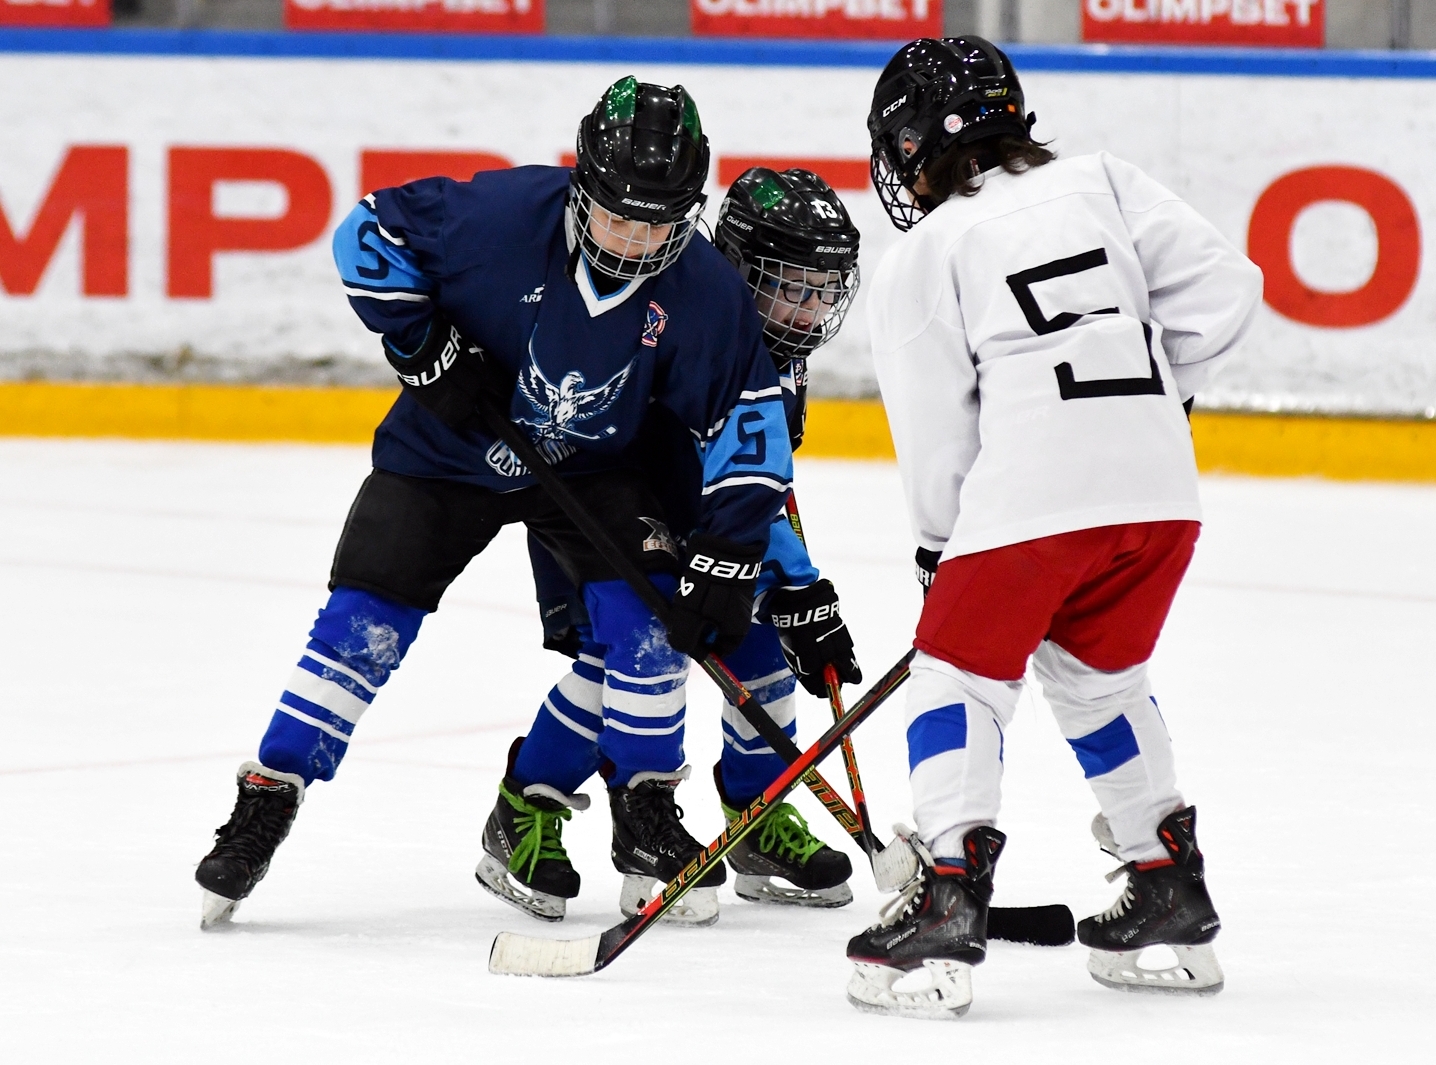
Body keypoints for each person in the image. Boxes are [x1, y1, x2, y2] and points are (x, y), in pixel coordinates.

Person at [192, 78, 798, 929]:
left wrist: (729, 555)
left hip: (591, 467)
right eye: (618, 217)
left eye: (659, 224)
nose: (635, 241)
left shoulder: (704, 290)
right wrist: (423, 346)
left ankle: (647, 815)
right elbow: (365, 232)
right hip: (445, 454)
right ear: (582, 185)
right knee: (363, 626)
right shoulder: (500, 216)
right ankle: (270, 793)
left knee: (654, 618)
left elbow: (749, 423)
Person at [842, 37, 1262, 1017]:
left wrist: (939, 549)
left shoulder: (925, 251)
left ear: (913, 145)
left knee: (956, 677)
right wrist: (1153, 402)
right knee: (1098, 678)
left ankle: (946, 894)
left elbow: (936, 427)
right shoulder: (1103, 179)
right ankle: (1164, 881)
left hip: (1032, 497)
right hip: (1159, 492)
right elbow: (1225, 292)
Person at [483, 168, 867, 924]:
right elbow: (679, 469)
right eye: (791, 287)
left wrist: (795, 586)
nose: (810, 310)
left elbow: (754, 485)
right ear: (740, 267)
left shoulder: (782, 351)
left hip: (705, 527)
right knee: (628, 661)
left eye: (824, 291)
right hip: (602, 517)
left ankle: (755, 819)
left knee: (763, 654)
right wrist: (790, 574)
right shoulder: (692, 318)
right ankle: (524, 807)